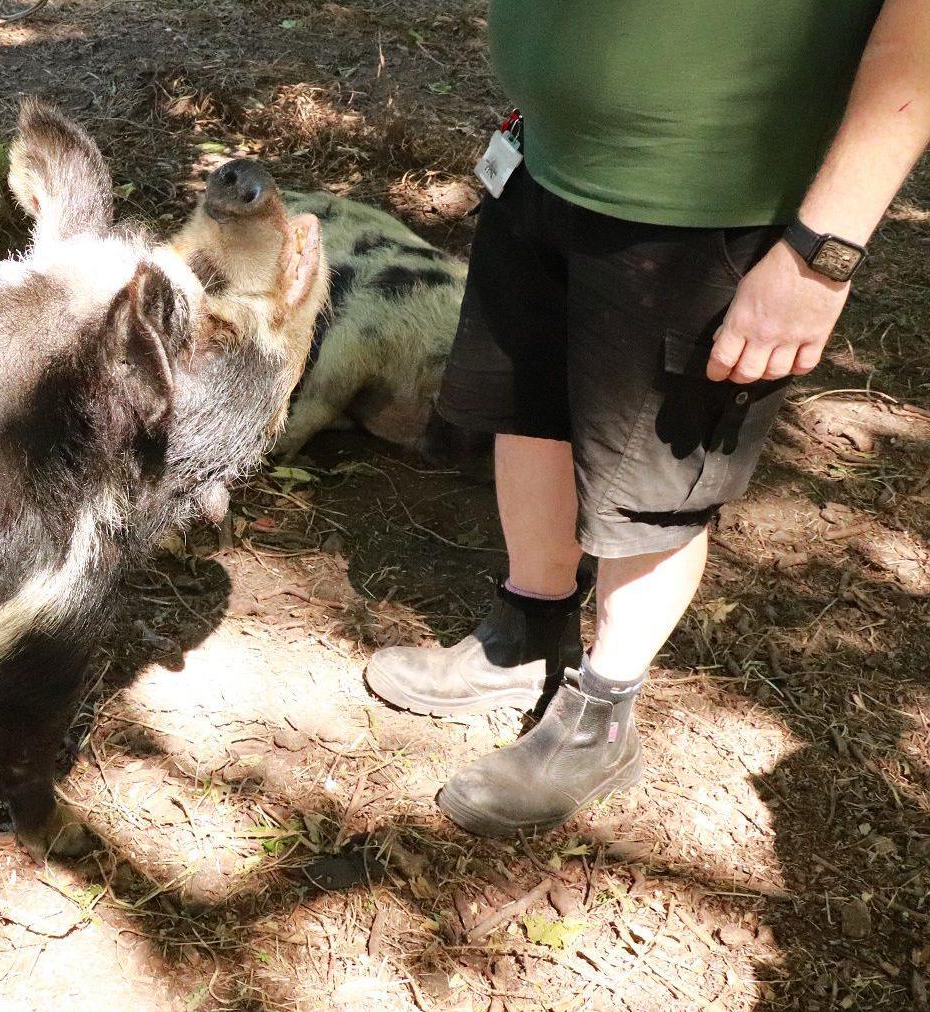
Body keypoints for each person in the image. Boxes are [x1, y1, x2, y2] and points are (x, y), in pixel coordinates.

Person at [364, 0, 930, 837]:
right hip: (542, 164)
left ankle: (602, 718)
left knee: (653, 477)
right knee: (531, 405)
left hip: (709, 205)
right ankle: (526, 632)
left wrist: (823, 254)